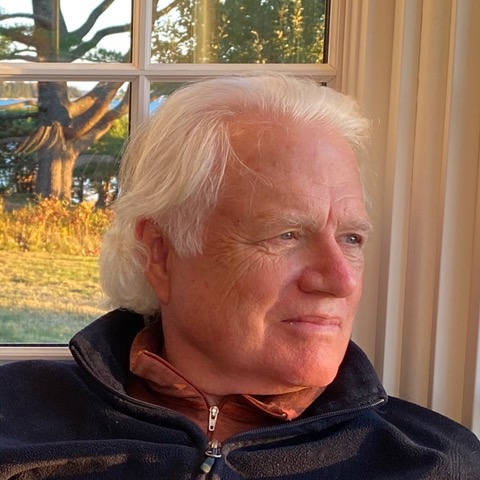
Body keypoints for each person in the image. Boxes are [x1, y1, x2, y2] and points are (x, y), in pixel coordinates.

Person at [0, 74, 478, 480]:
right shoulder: (15, 417)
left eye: (351, 238)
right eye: (286, 234)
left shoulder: (435, 461)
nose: (340, 281)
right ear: (161, 253)